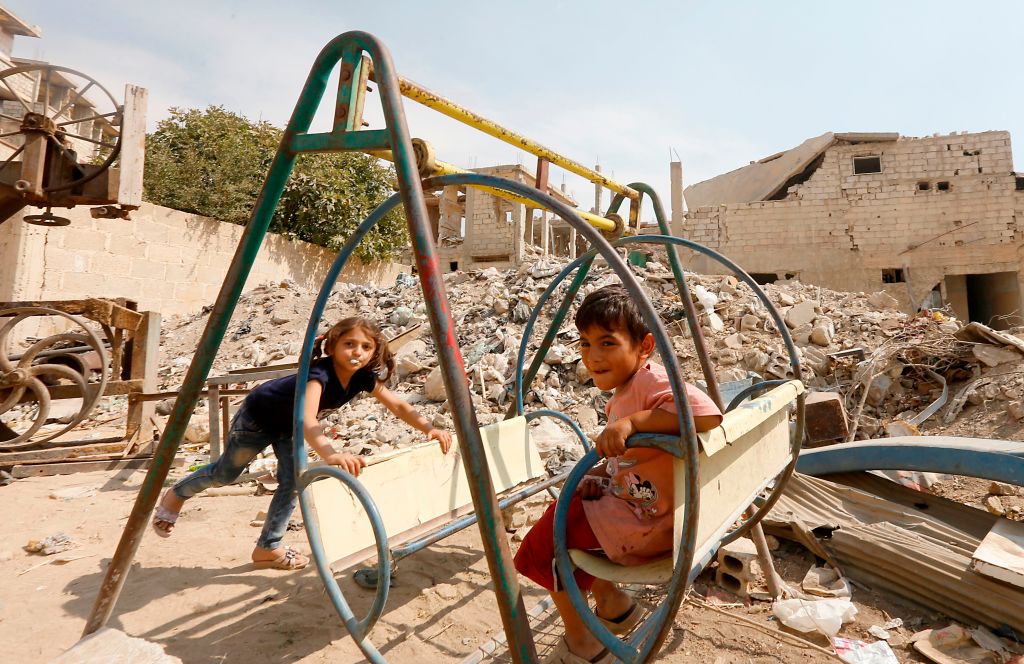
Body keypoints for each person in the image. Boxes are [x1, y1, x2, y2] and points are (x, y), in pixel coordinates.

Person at [514, 285, 722, 664]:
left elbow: (706, 413)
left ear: (644, 347)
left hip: (651, 523)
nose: (592, 356)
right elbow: (637, 458)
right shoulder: (631, 387)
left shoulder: (651, 382)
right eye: (584, 343)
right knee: (569, 502)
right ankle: (613, 605)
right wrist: (603, 471)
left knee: (545, 548)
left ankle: (583, 645)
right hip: (648, 506)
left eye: (607, 343)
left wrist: (631, 422)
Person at [151, 316, 452, 571]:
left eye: (365, 347)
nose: (356, 353)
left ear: (373, 353)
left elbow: (398, 405)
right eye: (349, 344)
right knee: (225, 474)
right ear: (332, 347)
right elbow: (307, 418)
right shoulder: (319, 373)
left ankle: (267, 547)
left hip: (289, 426)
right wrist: (330, 454)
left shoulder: (362, 378)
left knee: (293, 481)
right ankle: (177, 494)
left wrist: (429, 429)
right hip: (259, 417)